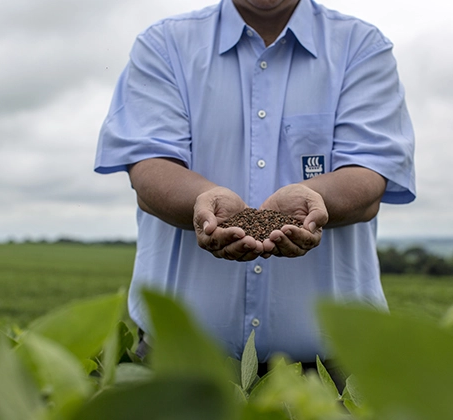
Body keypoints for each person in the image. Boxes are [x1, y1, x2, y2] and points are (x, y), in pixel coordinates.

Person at [95, 0, 416, 371]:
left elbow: (368, 177)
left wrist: (316, 199)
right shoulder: (165, 44)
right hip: (175, 365)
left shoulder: (362, 47)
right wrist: (202, 201)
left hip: (336, 370)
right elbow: (149, 167)